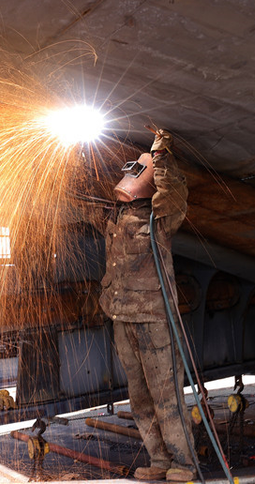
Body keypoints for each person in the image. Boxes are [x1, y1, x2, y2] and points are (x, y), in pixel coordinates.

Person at [99, 129, 195, 482]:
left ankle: (183, 463)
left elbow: (173, 193)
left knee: (166, 395)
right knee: (140, 398)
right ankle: (159, 460)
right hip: (122, 318)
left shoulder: (159, 218)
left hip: (154, 318)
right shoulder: (116, 217)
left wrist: (162, 156)